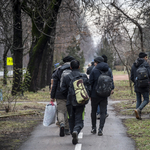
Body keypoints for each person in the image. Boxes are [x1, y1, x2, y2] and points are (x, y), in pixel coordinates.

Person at [61, 60, 91, 145]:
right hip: (80, 102)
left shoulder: (67, 77)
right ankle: (76, 130)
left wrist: (68, 96)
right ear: (79, 67)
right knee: (79, 118)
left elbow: (63, 90)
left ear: (70, 67)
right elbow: (89, 88)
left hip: (69, 102)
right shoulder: (84, 76)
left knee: (71, 118)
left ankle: (72, 132)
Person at [50, 56, 75, 137]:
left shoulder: (59, 70)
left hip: (60, 94)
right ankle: (67, 129)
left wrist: (52, 96)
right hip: (70, 94)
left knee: (60, 111)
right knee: (68, 111)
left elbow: (54, 85)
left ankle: (62, 124)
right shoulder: (73, 69)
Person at [89, 56, 114, 136]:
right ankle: (101, 129)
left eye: (95, 62)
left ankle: (94, 128)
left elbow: (90, 83)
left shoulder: (94, 70)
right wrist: (111, 89)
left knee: (93, 111)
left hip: (94, 94)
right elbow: (111, 81)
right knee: (103, 112)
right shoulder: (108, 70)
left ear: (97, 62)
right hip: (104, 94)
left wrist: (89, 94)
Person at [131, 52, 150, 120]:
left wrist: (136, 82)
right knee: (146, 99)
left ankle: (138, 115)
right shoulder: (146, 64)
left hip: (137, 85)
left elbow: (132, 76)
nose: (147, 58)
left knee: (138, 100)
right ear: (144, 57)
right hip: (145, 85)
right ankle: (139, 109)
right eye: (146, 57)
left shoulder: (134, 64)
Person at [96, 54, 114, 119]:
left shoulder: (96, 69)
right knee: (105, 100)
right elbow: (111, 79)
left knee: (98, 101)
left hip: (98, 87)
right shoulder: (108, 69)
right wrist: (112, 88)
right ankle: (104, 113)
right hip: (106, 87)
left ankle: (98, 113)